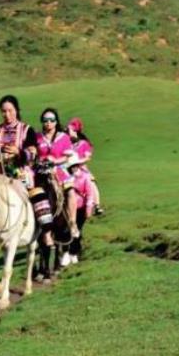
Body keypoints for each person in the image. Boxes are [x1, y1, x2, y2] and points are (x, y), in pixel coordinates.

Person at [0, 95, 53, 233]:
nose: (7, 114)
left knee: (38, 195)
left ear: (16, 110)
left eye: (10, 110)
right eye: (3, 111)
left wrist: (18, 152)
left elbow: (33, 152)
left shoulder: (27, 130)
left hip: (20, 173)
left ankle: (46, 232)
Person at [35, 108, 79, 249]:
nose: (48, 123)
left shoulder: (63, 137)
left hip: (58, 170)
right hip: (40, 172)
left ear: (56, 122)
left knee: (71, 192)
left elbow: (67, 156)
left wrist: (54, 161)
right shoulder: (37, 137)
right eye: (45, 120)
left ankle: (72, 222)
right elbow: (32, 155)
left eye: (51, 120)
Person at [60, 154, 96, 266]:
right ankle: (65, 252)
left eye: (75, 165)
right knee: (65, 230)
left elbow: (90, 194)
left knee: (77, 230)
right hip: (67, 207)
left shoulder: (85, 177)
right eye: (71, 166)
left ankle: (73, 253)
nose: (74, 167)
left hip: (81, 208)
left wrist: (89, 208)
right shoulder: (65, 178)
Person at [67, 117, 104, 215]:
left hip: (81, 168)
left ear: (75, 131)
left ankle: (97, 205)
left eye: (69, 130)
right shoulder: (69, 144)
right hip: (69, 169)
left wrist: (78, 162)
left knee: (91, 182)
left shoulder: (83, 143)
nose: (67, 133)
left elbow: (87, 157)